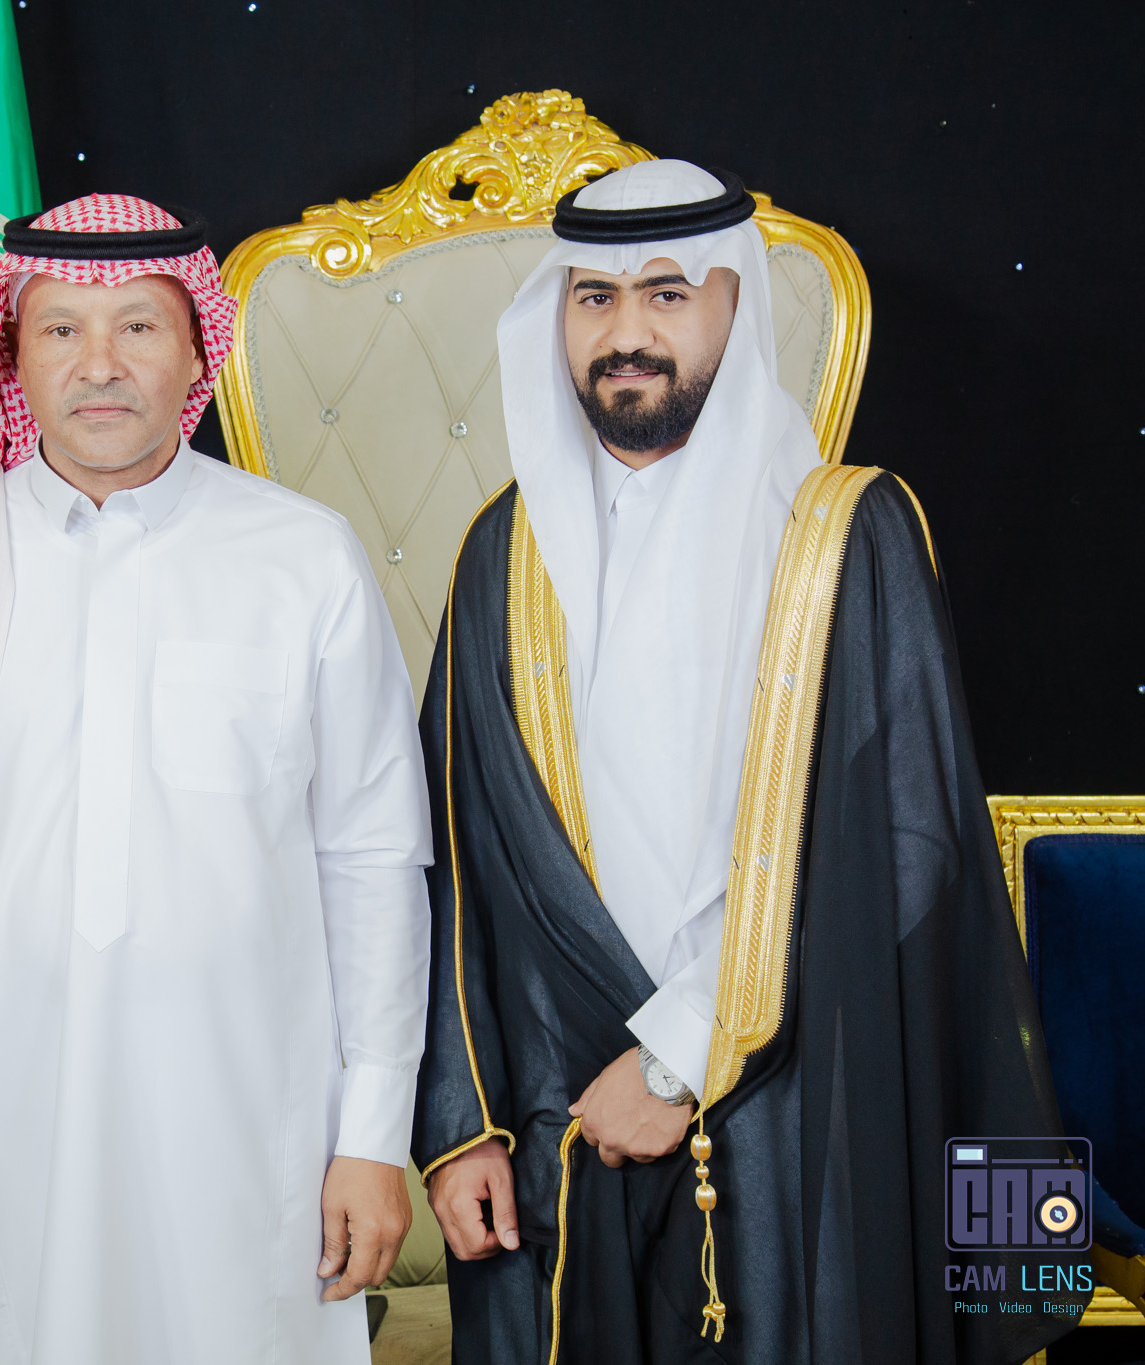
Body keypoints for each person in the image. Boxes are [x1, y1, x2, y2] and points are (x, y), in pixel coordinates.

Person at [412, 161, 1084, 1363]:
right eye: (593, 298)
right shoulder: (499, 553)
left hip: (793, 1102)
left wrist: (678, 1056)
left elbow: (904, 844)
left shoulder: (845, 533)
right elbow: (450, 857)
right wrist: (458, 1128)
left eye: (667, 295)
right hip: (556, 1112)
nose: (625, 334)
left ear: (734, 305)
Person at [0, 195, 433, 1365]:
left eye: (139, 328)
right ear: (9, 357)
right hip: (8, 1122)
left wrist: (371, 1135)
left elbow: (370, 861)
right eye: (59, 329)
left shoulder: (302, 557)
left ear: (198, 350)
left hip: (252, 1123)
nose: (98, 365)